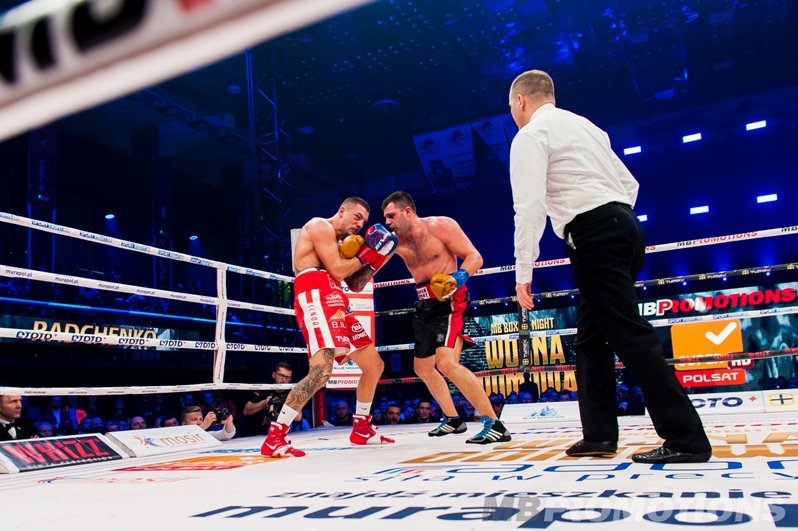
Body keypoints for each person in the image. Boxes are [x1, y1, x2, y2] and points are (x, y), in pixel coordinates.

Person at [507, 69, 711, 464]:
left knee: (627, 332)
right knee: (591, 337)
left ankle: (686, 438)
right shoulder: (586, 127)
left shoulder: (531, 135)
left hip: (595, 234)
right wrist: (613, 218)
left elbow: (528, 207)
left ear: (521, 101)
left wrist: (523, 271)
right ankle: (598, 435)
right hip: (625, 226)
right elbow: (628, 183)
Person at [260, 197, 396, 458]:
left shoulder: (342, 243)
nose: (360, 224)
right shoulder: (320, 226)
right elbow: (337, 270)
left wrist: (381, 257)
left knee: (374, 365)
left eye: (364, 221)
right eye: (357, 216)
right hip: (314, 293)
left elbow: (356, 283)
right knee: (321, 371)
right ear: (342, 211)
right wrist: (367, 253)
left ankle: (361, 428)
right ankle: (275, 437)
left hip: (336, 298)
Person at [381, 191, 511, 444]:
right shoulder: (394, 241)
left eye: (391, 216)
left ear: (408, 211)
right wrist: (367, 250)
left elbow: (475, 257)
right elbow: (366, 273)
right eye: (385, 217)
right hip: (424, 305)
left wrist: (459, 277)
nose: (388, 222)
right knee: (422, 368)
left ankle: (494, 424)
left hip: (450, 300)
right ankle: (453, 419)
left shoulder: (440, 225)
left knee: (446, 363)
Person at [242, 361, 296, 435]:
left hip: (284, 433)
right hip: (260, 433)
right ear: (274, 375)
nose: (284, 380)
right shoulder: (265, 389)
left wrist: (285, 402)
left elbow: (298, 417)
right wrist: (266, 402)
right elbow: (246, 411)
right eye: (281, 375)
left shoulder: (291, 392)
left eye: (287, 377)